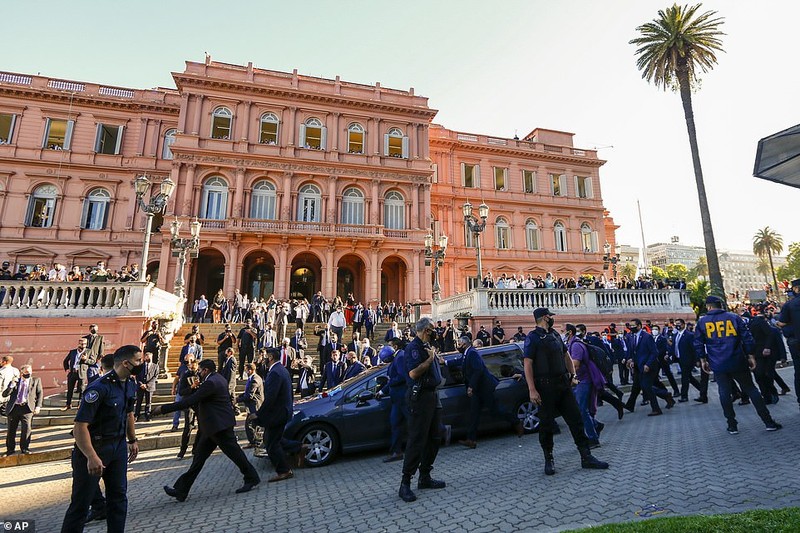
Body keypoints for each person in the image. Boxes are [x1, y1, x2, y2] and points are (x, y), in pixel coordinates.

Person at [60, 345, 141, 533]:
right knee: (81, 504)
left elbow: (129, 413)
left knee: (118, 499)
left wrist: (132, 439)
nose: (141, 364)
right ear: (125, 363)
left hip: (118, 447)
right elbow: (80, 426)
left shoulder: (130, 383)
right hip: (94, 448)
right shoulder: (98, 388)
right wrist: (91, 456)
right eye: (138, 360)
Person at [154, 359, 261, 500]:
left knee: (235, 454)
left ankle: (252, 477)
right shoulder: (218, 378)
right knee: (198, 460)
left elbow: (190, 400)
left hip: (219, 427)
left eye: (200, 370)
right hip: (212, 427)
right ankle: (181, 490)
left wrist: (163, 409)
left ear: (205, 370)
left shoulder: (211, 382)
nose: (198, 373)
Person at [523, 308, 607, 476]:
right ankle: (549, 459)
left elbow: (566, 355)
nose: (552, 319)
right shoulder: (532, 338)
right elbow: (528, 364)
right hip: (545, 388)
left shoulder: (554, 335)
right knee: (546, 425)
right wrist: (532, 390)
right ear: (545, 317)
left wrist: (573, 375)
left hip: (563, 385)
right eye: (550, 316)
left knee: (576, 420)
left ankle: (586, 456)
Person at [694, 295, 782, 435]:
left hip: (717, 362)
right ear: (721, 305)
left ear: (709, 307)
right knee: (751, 389)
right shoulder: (733, 317)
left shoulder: (702, 322)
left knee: (724, 392)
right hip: (737, 360)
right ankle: (768, 421)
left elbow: (698, 343)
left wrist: (703, 360)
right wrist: (751, 355)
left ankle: (732, 425)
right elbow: (747, 338)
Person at [398, 317, 447, 503]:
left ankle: (425, 475)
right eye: (433, 329)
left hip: (432, 396)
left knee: (435, 436)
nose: (435, 332)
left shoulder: (428, 347)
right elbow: (413, 373)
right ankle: (405, 483)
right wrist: (429, 360)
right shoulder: (414, 348)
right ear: (426, 329)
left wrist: (436, 360)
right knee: (417, 439)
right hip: (419, 398)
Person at [457, 335, 523, 449]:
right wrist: (445, 361)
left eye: (459, 344)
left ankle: (516, 421)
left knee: (496, 410)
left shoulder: (472, 353)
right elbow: (460, 361)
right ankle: (471, 440)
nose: (458, 346)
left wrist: (471, 387)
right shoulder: (467, 353)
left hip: (484, 388)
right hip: (478, 390)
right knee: (474, 414)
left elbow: (478, 370)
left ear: (465, 344)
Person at [251, 347, 302, 482]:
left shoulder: (275, 373)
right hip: (283, 411)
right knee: (275, 439)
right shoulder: (281, 369)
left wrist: (259, 414)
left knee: (271, 444)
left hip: (278, 414)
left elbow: (271, 397)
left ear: (271, 357)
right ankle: (299, 446)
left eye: (265, 356)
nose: (264, 358)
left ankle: (284, 471)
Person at [624, 318, 675, 416]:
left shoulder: (647, 337)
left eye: (633, 326)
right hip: (638, 366)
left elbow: (654, 352)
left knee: (646, 386)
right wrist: (630, 360)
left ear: (639, 326)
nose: (631, 328)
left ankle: (656, 408)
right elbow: (633, 351)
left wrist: (648, 364)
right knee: (636, 387)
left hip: (649, 366)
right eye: (630, 326)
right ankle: (630, 405)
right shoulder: (631, 337)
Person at [564, 325, 604, 447]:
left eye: (562, 331)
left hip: (583, 380)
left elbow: (575, 365)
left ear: (569, 332)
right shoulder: (571, 344)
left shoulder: (576, 345)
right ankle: (596, 425)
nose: (561, 333)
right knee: (581, 409)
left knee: (582, 410)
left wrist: (571, 377)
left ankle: (593, 438)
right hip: (581, 380)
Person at [3, 364, 43, 455]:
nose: (28, 374)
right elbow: (5, 394)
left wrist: (38, 406)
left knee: (26, 429)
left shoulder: (36, 380)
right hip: (14, 408)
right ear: (21, 372)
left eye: (30, 372)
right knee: (11, 430)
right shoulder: (15, 381)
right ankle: (10, 449)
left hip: (27, 408)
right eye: (26, 372)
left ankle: (25, 448)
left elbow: (40, 393)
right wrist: (12, 385)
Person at [776, 279, 800, 408]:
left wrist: (778, 324)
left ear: (796, 289)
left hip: (796, 342)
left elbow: (782, 322)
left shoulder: (789, 305)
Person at [384, 339, 407, 463]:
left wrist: (390, 382)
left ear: (396, 346)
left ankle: (439, 431)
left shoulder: (400, 357)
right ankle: (397, 451)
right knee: (395, 424)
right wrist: (383, 390)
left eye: (390, 345)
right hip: (397, 399)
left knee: (414, 422)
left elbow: (402, 376)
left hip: (402, 397)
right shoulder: (397, 357)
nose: (388, 348)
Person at [670, 318, 705, 403]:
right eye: (676, 324)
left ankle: (684, 396)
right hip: (679, 359)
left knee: (684, 378)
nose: (677, 325)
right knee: (689, 377)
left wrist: (697, 359)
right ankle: (702, 391)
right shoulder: (675, 335)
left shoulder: (689, 335)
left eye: (679, 324)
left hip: (688, 359)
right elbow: (674, 347)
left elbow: (694, 348)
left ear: (683, 325)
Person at [175, 357, 199, 460]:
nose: (192, 368)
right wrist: (192, 386)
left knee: (202, 427)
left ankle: (196, 448)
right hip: (189, 403)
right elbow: (181, 391)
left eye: (194, 367)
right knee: (188, 427)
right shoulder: (185, 375)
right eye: (191, 367)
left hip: (199, 403)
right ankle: (183, 450)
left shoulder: (201, 375)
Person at [237, 363, 264, 448]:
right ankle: (256, 441)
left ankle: (254, 442)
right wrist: (239, 396)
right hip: (252, 406)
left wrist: (237, 400)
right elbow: (247, 392)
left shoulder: (255, 379)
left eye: (246, 370)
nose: (245, 371)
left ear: (250, 370)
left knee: (249, 424)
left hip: (255, 406)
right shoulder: (252, 378)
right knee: (253, 424)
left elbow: (249, 395)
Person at [62, 338, 93, 410]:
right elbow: (65, 361)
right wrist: (67, 369)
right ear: (78, 343)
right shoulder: (73, 352)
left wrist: (86, 359)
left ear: (86, 344)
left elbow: (93, 361)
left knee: (82, 389)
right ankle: (68, 404)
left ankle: (80, 404)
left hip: (82, 373)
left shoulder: (89, 351)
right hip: (72, 372)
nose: (82, 345)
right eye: (81, 343)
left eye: (84, 344)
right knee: (70, 389)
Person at [133, 352, 158, 421]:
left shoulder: (155, 366)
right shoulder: (140, 366)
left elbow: (155, 377)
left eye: (149, 357)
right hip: (140, 386)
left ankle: (147, 415)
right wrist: (141, 384)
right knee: (139, 401)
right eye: (146, 357)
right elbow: (137, 376)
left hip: (150, 386)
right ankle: (136, 415)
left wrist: (147, 385)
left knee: (148, 402)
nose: (148, 358)